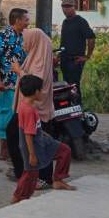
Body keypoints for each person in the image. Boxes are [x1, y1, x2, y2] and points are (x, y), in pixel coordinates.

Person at [12, 75, 75, 203]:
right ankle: (18, 197)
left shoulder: (25, 105)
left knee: (64, 150)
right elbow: (28, 134)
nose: (42, 92)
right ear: (35, 92)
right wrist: (32, 155)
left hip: (42, 139)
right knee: (30, 174)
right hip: (33, 146)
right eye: (41, 90)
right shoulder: (28, 110)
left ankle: (58, 180)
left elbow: (34, 128)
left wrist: (45, 135)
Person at [9, 28, 56, 187]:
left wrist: (18, 71)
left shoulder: (40, 60)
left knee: (37, 143)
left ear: (34, 41)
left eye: (26, 40)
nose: (24, 44)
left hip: (36, 110)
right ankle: (24, 173)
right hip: (28, 109)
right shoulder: (37, 55)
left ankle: (41, 178)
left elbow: (35, 83)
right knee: (20, 138)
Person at [0, 8, 29, 160]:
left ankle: (15, 148)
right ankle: (4, 150)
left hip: (21, 82)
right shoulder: (1, 36)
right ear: (17, 20)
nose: (27, 22)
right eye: (26, 20)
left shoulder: (24, 36)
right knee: (6, 114)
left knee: (18, 115)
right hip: (6, 83)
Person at [59, 0, 96, 90]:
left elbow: (91, 38)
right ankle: (69, 104)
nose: (65, 9)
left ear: (74, 7)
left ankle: (77, 104)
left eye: (68, 6)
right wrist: (59, 56)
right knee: (65, 86)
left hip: (76, 60)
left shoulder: (81, 21)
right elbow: (64, 42)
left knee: (74, 87)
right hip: (64, 60)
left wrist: (87, 56)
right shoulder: (65, 22)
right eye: (63, 7)